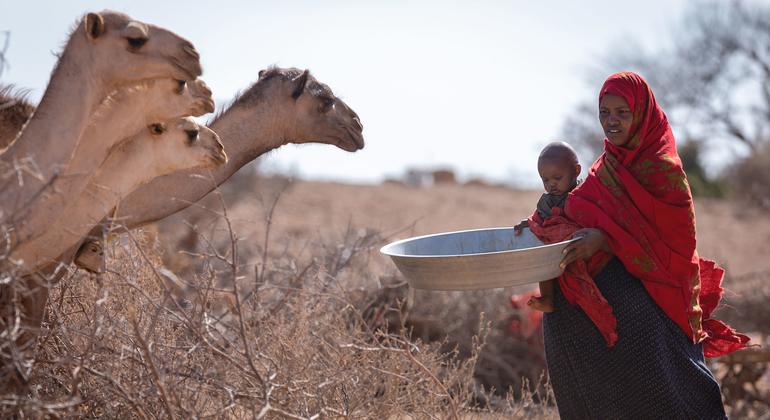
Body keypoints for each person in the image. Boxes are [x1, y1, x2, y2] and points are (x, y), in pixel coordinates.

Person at [537, 71, 749, 419]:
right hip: (611, 282)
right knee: (562, 315)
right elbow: (572, 208)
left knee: (648, 346)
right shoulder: (603, 169)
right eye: (605, 112)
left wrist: (605, 239)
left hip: (655, 289)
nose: (612, 121)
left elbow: (675, 243)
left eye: (623, 112)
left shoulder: (663, 170)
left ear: (642, 113)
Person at [514, 141, 582, 313]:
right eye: (545, 179)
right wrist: (528, 223)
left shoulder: (583, 195)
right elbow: (538, 219)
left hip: (579, 250)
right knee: (542, 262)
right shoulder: (548, 201)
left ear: (576, 171)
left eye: (557, 178)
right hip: (554, 254)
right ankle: (547, 299)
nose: (551, 184)